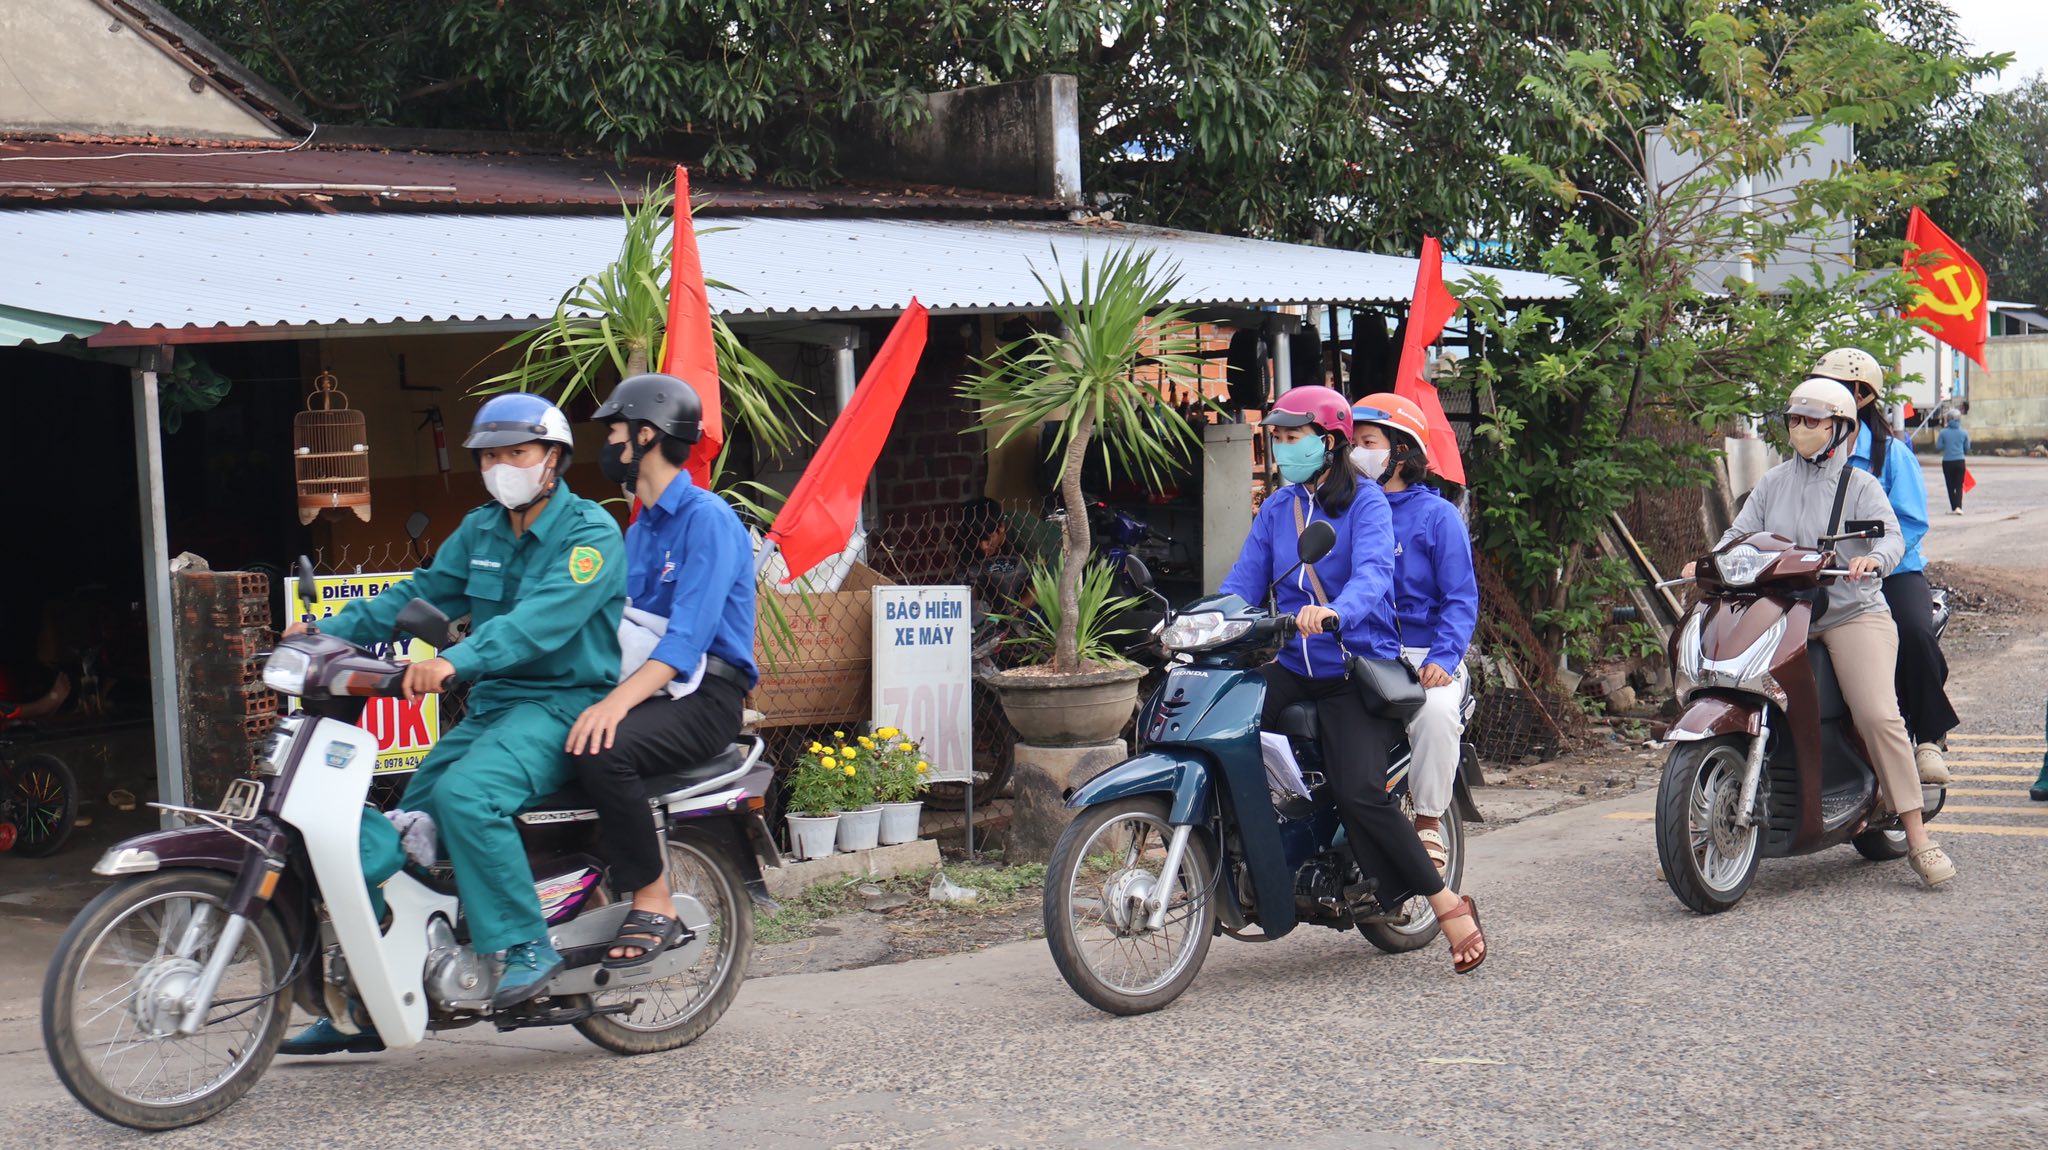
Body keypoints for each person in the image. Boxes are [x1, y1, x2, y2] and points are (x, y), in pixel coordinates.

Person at [281, 393, 627, 1055]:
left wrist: (453, 663)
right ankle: (371, 1001)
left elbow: (540, 623)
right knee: (407, 829)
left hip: (560, 706)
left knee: (469, 796)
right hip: (497, 705)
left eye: (515, 452)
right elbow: (418, 594)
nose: (501, 466)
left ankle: (526, 947)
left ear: (553, 459)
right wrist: (321, 634)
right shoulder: (483, 529)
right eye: (490, 455)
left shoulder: (590, 535)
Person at [1220, 386, 1486, 973]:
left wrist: (1336, 610)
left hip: (1349, 668)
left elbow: (1372, 575)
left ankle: (1445, 903)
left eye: (1295, 438)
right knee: (1221, 721)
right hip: (1292, 664)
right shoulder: (1277, 507)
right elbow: (1242, 579)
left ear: (1329, 442)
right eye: (1280, 438)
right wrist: (1207, 619)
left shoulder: (1367, 504)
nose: (1284, 447)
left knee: (1359, 790)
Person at [1691, 377, 1955, 887]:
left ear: (1839, 429)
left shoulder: (1861, 485)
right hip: (1784, 612)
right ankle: (1693, 829)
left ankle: (1918, 836)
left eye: (1812, 421)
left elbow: (1893, 535)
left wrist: (1875, 560)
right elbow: (1738, 534)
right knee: (1738, 688)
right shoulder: (1772, 483)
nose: (1801, 429)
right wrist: (1713, 559)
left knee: (1878, 715)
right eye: (1794, 419)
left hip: (1851, 614)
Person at [565, 373, 757, 967]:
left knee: (602, 747)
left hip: (706, 698)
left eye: (615, 430)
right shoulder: (639, 526)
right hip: (654, 687)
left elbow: (685, 642)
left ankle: (655, 900)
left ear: (645, 436)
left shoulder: (708, 519)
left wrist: (613, 705)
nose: (609, 442)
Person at [1809, 348, 1959, 786]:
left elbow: (1911, 521)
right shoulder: (1809, 453)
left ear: (1860, 395)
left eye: (1834, 388)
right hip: (1823, 573)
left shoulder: (1891, 454)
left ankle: (1930, 737)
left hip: (1893, 572)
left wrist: (1877, 558)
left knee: (1912, 631)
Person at [1348, 393, 1479, 877]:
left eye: (1369, 442)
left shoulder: (1437, 516)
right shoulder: (1346, 511)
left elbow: (1461, 598)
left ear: (1401, 452)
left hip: (1424, 652)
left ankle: (1427, 821)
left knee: (1437, 712)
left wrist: (1444, 659)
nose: (1357, 453)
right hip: (1361, 652)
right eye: (1352, 444)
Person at [1936, 412, 1970, 514]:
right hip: (1960, 461)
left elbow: (1939, 447)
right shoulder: (1964, 432)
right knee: (1959, 485)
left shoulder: (1943, 432)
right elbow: (1967, 448)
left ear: (1948, 419)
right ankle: (1959, 507)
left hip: (1947, 462)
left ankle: (1953, 507)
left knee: (1950, 486)